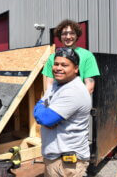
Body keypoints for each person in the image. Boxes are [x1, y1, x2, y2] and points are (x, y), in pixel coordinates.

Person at [34, 47, 91, 177]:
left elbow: (45, 119)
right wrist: (42, 109)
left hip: (66, 164)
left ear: (76, 69)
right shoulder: (56, 84)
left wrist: (42, 111)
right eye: (56, 64)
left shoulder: (73, 91)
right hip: (54, 157)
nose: (58, 68)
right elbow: (40, 107)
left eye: (64, 65)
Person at [42, 19, 100, 94]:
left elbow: (90, 85)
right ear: (60, 36)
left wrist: (74, 102)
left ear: (77, 35)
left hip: (78, 100)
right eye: (64, 34)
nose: (68, 37)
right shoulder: (52, 57)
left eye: (72, 33)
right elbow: (49, 84)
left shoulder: (87, 55)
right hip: (57, 101)